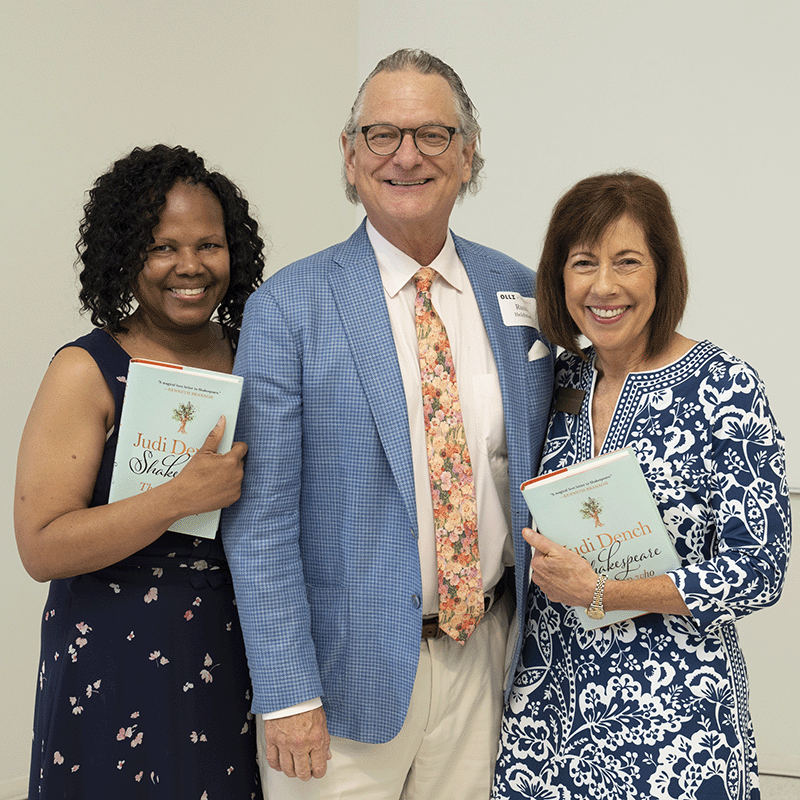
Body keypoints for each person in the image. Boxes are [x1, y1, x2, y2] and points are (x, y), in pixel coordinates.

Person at [222, 49, 554, 799]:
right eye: (381, 134)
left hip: (487, 661)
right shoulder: (287, 309)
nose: (407, 155)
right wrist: (287, 693)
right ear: (349, 156)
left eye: (433, 135)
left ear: (468, 156)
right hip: (339, 686)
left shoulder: (524, 295)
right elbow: (261, 519)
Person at [492, 172, 791, 800]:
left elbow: (759, 570)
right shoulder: (552, 380)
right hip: (547, 722)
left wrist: (605, 590)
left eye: (627, 262)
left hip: (676, 725)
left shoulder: (723, 387)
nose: (604, 286)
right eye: (583, 263)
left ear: (662, 273)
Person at [15, 144, 266, 799]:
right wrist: (176, 497)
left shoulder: (256, 356)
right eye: (163, 247)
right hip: (115, 658)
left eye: (209, 244)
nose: (189, 266)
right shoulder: (85, 370)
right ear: (125, 255)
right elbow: (41, 545)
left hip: (239, 652)